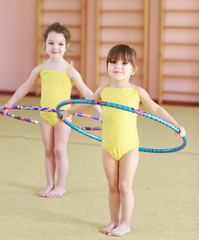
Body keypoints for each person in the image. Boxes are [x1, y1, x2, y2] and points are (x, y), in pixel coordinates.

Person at [60, 44, 186, 237]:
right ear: (107, 66)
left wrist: (175, 125)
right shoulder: (103, 90)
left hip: (129, 148)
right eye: (113, 62)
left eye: (124, 63)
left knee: (124, 186)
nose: (117, 66)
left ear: (133, 69)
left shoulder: (137, 91)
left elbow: (157, 110)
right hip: (108, 147)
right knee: (112, 186)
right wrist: (67, 111)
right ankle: (113, 221)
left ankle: (125, 223)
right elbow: (86, 104)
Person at [0, 22, 101, 198]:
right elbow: (24, 88)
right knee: (48, 151)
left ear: (67, 46)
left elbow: (86, 92)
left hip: (63, 116)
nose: (56, 47)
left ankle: (61, 186)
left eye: (60, 44)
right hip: (45, 116)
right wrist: (8, 105)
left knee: (59, 150)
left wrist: (101, 112)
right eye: (51, 43)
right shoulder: (40, 69)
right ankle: (50, 184)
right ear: (45, 45)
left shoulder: (70, 70)